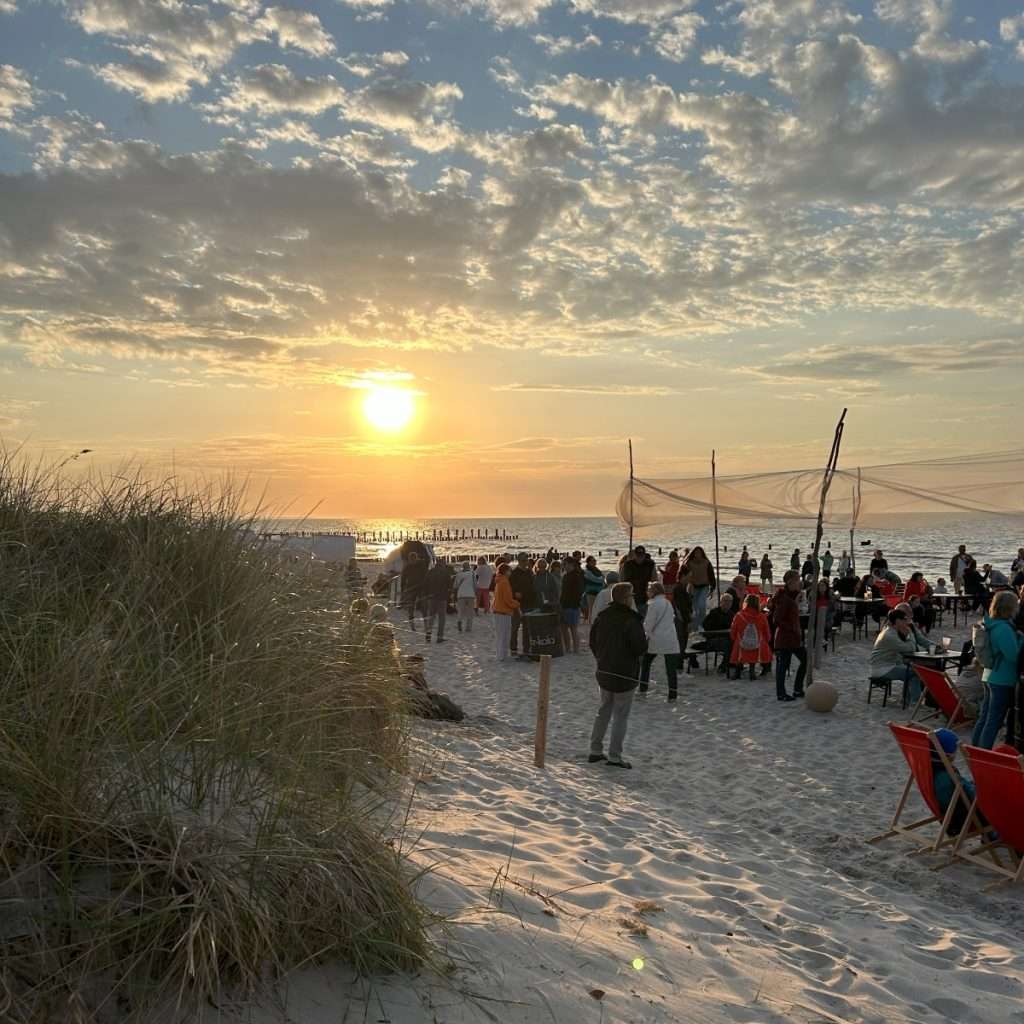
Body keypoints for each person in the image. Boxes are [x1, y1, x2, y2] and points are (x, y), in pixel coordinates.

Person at [588, 582, 647, 769]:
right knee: (620, 714)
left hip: (605, 670)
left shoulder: (602, 617)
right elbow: (639, 648)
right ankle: (614, 755)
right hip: (624, 673)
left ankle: (595, 750)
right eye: (631, 596)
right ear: (624, 598)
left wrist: (601, 658)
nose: (633, 599)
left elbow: (592, 643)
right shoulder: (630, 619)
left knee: (604, 710)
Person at [971, 591, 1023, 749]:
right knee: (994, 719)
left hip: (990, 674)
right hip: (1003, 677)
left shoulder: (992, 624)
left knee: (985, 716)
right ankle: (983, 751)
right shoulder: (1004, 628)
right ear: (1010, 607)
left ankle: (976, 747)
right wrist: (1021, 639)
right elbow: (1013, 655)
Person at [640, 583, 681, 700]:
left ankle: (643, 688)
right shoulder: (668, 603)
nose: (647, 592)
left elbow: (648, 624)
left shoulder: (653, 605)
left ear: (654, 591)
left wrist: (645, 635)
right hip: (671, 638)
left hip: (656, 638)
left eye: (649, 590)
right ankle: (673, 695)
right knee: (671, 670)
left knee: (646, 663)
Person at [772, 570, 807, 702]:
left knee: (805, 660)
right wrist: (791, 628)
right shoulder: (784, 598)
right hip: (785, 638)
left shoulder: (794, 596)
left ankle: (797, 689)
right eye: (798, 580)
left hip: (794, 637)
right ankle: (781, 694)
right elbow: (776, 619)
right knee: (783, 665)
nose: (800, 582)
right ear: (790, 582)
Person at [869, 608, 917, 698]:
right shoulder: (890, 635)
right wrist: (910, 634)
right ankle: (914, 701)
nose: (907, 622)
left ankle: (908, 699)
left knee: (913, 670)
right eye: (905, 619)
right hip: (883, 669)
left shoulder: (891, 631)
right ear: (898, 621)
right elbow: (911, 648)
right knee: (915, 674)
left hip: (886, 666)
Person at [730, 594, 772, 680]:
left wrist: (734, 639)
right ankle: (752, 671)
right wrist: (767, 639)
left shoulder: (739, 615)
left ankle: (737, 671)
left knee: (738, 644)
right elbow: (767, 633)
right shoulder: (762, 617)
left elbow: (733, 631)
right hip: (758, 644)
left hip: (741, 644)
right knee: (760, 642)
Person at [699, 592, 735, 674]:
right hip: (714, 639)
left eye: (729, 601)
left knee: (735, 642)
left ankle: (733, 663)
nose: (727, 603)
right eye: (725, 601)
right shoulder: (714, 613)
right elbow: (705, 625)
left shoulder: (732, 614)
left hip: (727, 638)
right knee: (727, 644)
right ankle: (724, 665)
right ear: (721, 602)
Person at [681, 546, 715, 630]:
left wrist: (712, 587)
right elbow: (682, 573)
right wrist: (683, 584)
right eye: (696, 552)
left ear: (702, 553)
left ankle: (701, 624)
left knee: (701, 605)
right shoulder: (689, 562)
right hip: (693, 586)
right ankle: (696, 624)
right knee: (695, 607)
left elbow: (711, 575)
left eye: (699, 552)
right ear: (693, 553)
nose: (698, 554)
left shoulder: (706, 562)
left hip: (704, 586)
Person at [509, 553, 537, 657]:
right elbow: (510, 588)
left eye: (527, 560)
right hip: (517, 605)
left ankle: (526, 649)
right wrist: (515, 593)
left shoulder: (530, 572)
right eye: (524, 560)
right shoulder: (514, 573)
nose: (526, 562)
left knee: (527, 629)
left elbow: (533, 586)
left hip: (529, 603)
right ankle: (513, 649)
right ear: (519, 561)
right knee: (515, 628)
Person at [492, 563, 519, 661]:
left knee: (501, 635)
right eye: (509, 570)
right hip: (503, 612)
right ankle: (501, 656)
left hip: (499, 611)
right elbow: (508, 600)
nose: (510, 572)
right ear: (505, 571)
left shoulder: (500, 581)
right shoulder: (504, 582)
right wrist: (517, 604)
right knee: (504, 635)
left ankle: (502, 656)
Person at [560, 556, 586, 654]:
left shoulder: (575, 575)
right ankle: (568, 648)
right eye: (563, 564)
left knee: (573, 628)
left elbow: (578, 592)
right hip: (566, 604)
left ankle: (575, 649)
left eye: (565, 564)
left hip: (572, 605)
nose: (564, 566)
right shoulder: (568, 575)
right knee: (564, 627)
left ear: (571, 565)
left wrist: (575, 602)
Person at [423, 560, 453, 644]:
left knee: (431, 617)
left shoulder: (430, 572)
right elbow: (450, 585)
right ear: (442, 565)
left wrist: (426, 595)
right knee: (441, 618)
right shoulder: (445, 573)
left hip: (431, 598)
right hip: (442, 598)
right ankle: (439, 637)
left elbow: (425, 584)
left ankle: (428, 634)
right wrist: (448, 595)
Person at [622, 546, 657, 617]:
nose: (639, 557)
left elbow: (654, 580)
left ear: (644, 555)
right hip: (631, 597)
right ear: (635, 555)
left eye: (641, 555)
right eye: (638, 555)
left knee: (644, 618)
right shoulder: (627, 565)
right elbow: (623, 581)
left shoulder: (650, 564)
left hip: (645, 597)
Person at [400, 551, 429, 632]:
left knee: (424, 607)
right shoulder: (407, 567)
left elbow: (426, 576)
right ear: (409, 559)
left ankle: (426, 625)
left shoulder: (421, 565)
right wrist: (403, 591)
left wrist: (426, 587)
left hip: (421, 588)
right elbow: (403, 579)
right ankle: (412, 626)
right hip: (410, 588)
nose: (412, 561)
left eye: (413, 559)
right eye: (411, 559)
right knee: (410, 608)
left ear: (416, 558)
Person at [453, 561, 476, 633]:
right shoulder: (473, 573)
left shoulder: (459, 574)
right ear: (469, 566)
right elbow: (475, 585)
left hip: (461, 594)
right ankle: (468, 628)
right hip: (470, 594)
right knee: (470, 612)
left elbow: (455, 585)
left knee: (460, 611)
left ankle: (459, 621)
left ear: (463, 567)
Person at [583, 556, 606, 621]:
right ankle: (590, 623)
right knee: (591, 609)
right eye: (592, 561)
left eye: (595, 560)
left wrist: (602, 579)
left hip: (599, 592)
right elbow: (595, 579)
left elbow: (602, 578)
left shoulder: (597, 570)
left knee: (598, 609)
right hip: (591, 593)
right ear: (588, 562)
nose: (594, 562)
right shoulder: (587, 571)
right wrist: (602, 579)